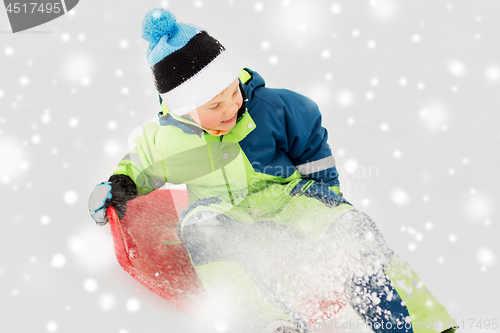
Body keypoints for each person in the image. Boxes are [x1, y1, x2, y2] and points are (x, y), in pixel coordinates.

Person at [88, 8, 458, 333]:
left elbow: (311, 141)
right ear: (184, 109)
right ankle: (270, 323)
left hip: (287, 198)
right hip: (221, 211)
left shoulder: (270, 107)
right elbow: (141, 165)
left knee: (351, 230)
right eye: (215, 104)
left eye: (233, 91)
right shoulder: (167, 139)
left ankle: (416, 323)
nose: (232, 105)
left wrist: (325, 192)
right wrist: (118, 187)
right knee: (201, 229)